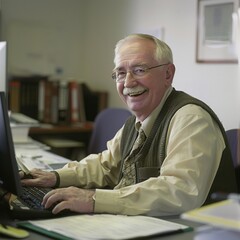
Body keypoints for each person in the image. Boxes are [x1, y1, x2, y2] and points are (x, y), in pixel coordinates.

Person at [20, 33, 237, 217]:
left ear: (168, 74)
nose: (128, 82)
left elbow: (179, 190)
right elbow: (105, 166)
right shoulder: (136, 122)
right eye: (121, 73)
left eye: (140, 70)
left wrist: (94, 199)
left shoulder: (191, 119)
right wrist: (55, 177)